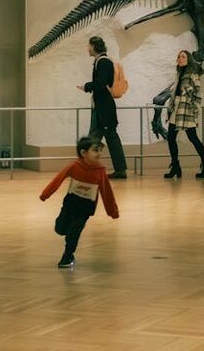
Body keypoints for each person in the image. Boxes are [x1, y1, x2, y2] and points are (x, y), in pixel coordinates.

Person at [40, 136, 120, 269]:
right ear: (83, 153)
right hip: (70, 203)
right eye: (95, 150)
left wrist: (112, 211)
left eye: (100, 150)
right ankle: (67, 233)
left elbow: (107, 192)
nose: (99, 153)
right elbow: (58, 179)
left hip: (86, 208)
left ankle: (67, 256)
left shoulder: (100, 171)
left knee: (74, 232)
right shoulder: (74, 166)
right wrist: (45, 194)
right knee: (60, 229)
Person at [77, 36, 127, 179]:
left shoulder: (103, 62)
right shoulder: (101, 61)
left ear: (93, 47)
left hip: (104, 109)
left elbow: (101, 83)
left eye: (88, 46)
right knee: (97, 139)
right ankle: (89, 168)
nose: (87, 49)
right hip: (101, 108)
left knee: (106, 139)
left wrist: (86, 86)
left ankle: (89, 168)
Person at [164, 50, 204, 179]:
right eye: (179, 57)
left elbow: (198, 94)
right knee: (171, 137)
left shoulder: (193, 74)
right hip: (176, 109)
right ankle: (175, 166)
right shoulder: (179, 73)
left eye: (183, 57)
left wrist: (193, 108)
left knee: (193, 138)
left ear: (188, 59)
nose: (180, 59)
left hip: (186, 110)